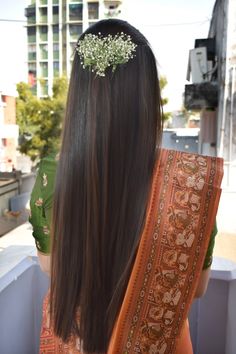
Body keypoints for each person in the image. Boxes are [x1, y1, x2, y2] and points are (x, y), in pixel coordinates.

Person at [29, 19, 223, 354]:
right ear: (147, 97)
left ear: (79, 97)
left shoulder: (52, 173)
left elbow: (51, 268)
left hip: (77, 341)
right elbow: (197, 288)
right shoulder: (188, 181)